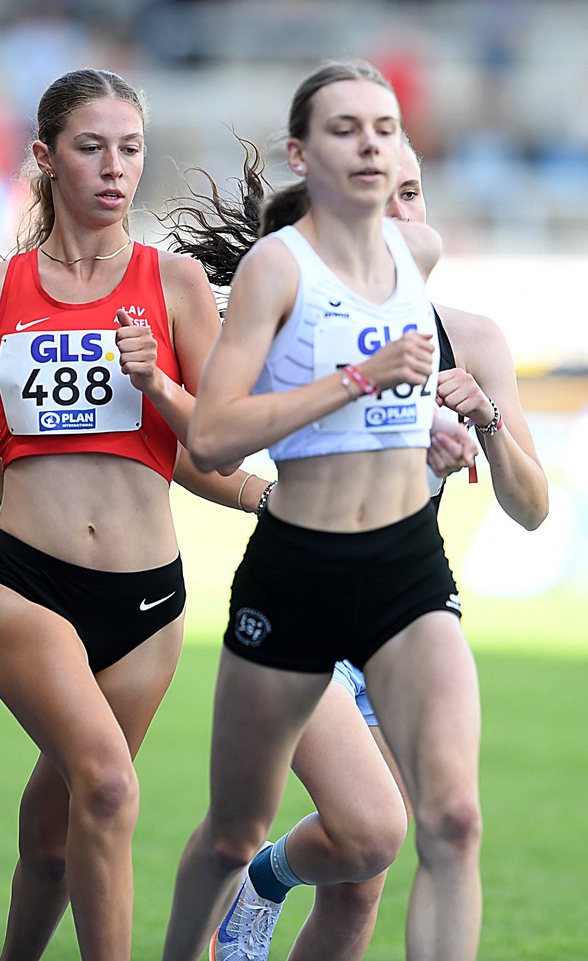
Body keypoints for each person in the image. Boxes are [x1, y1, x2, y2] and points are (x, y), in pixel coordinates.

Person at [0, 68, 258, 960]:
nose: (114, 166)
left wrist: (157, 383)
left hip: (147, 603)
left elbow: (217, 445)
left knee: (56, 831)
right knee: (109, 786)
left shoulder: (174, 284)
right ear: (46, 158)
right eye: (91, 147)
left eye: (130, 148)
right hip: (26, 586)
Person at [159, 60, 485, 961]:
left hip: (405, 569)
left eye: (384, 129)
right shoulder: (274, 269)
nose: (370, 146)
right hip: (297, 572)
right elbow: (212, 436)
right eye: (345, 129)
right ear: (301, 154)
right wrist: (358, 380)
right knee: (234, 832)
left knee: (451, 820)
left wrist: (425, 429)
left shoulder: (416, 256)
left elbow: (392, 399)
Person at [204, 135, 546, 961]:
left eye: (412, 192)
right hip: (302, 609)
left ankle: (265, 878)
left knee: (363, 878)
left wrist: (486, 420)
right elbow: (198, 447)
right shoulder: (287, 320)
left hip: (403, 613)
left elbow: (531, 507)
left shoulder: (473, 338)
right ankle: (245, 878)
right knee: (362, 830)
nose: (400, 210)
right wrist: (268, 495)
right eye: (378, 193)